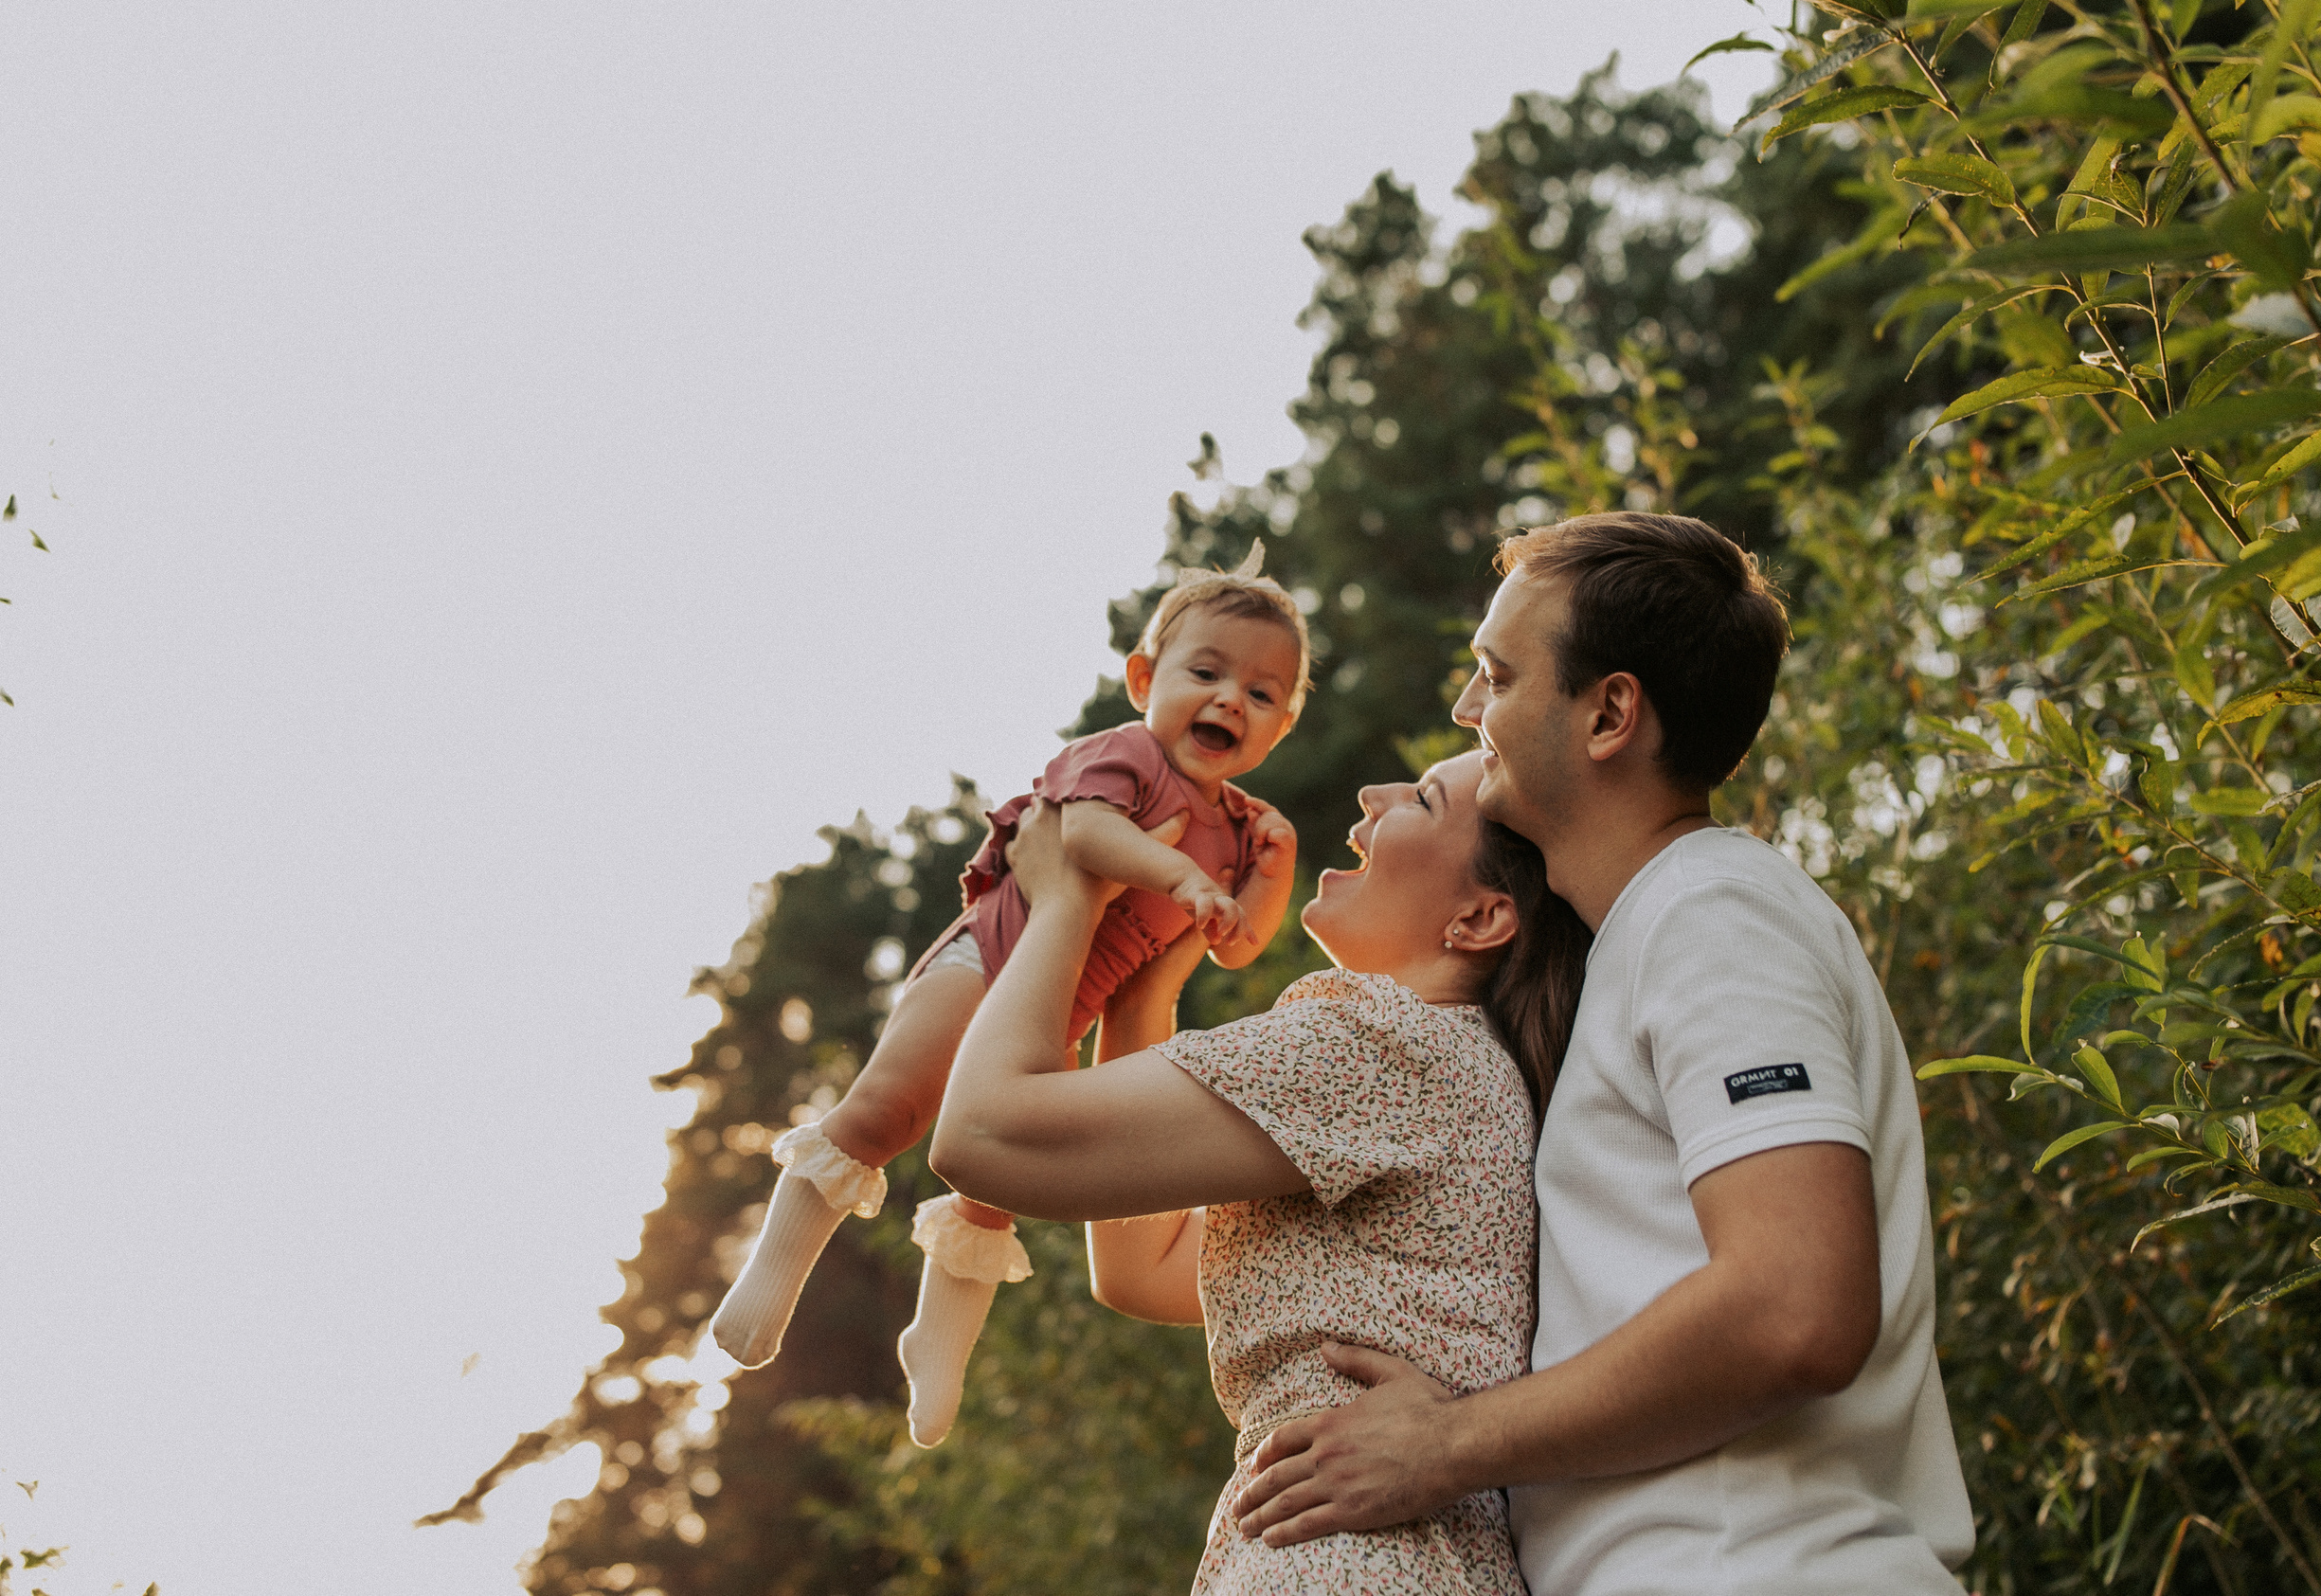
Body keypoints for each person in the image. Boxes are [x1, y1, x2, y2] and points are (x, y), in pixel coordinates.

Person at [1231, 512, 1974, 1593]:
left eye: (1497, 672)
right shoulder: (1642, 941)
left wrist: (1446, 1445)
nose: (1466, 709)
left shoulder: (1712, 912)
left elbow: (1795, 1308)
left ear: (1609, 713)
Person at [929, 749, 1594, 1593]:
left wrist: (1067, 896)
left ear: (1479, 918)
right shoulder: (1451, 1074)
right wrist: (1142, 991)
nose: (1371, 791)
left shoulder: (1385, 1046)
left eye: (1422, 799)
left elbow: (982, 1136)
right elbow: (1143, 1267)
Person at [709, 545, 1306, 1447]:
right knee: (886, 1109)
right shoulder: (1126, 755)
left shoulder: (1236, 830)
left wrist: (1267, 873)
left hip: (1053, 1011)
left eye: (1262, 694)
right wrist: (1183, 874)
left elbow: (1232, 948)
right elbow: (1088, 836)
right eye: (1207, 672)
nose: (1231, 699)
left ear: (1281, 727)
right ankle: (773, 1273)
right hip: (990, 959)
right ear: (1146, 676)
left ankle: (937, 1339)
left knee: (996, 1178)